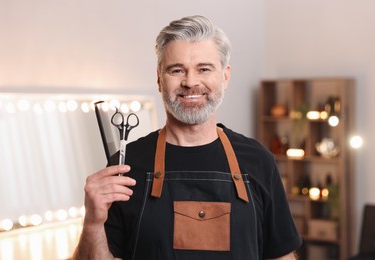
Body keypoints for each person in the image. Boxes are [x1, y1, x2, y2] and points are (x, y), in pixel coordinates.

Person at [72, 15, 302, 260]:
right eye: (177, 70)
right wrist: (93, 224)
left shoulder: (258, 160)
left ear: (225, 76)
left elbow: (282, 256)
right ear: (160, 79)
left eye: (204, 69)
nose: (191, 82)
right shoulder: (125, 166)